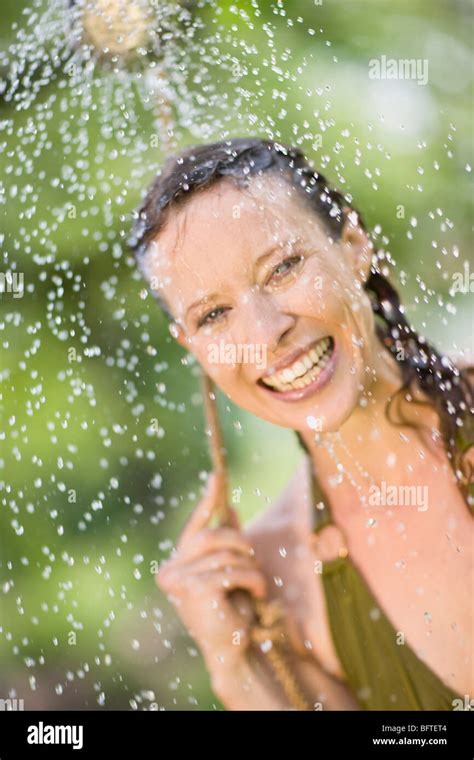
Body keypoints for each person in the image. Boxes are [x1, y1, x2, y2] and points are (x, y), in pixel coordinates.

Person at [129, 138, 473, 710]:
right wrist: (234, 664)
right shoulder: (275, 581)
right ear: (191, 347)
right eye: (214, 315)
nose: (266, 335)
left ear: (354, 243)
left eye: (283, 267)